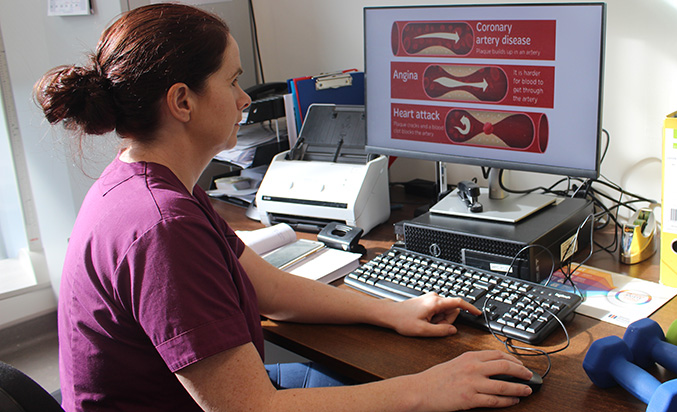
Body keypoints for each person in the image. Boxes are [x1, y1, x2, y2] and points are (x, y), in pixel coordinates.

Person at [34, 3, 534, 411]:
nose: (244, 100)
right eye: (232, 82)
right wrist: (426, 390)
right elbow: (249, 410)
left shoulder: (147, 183)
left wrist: (390, 312)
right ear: (182, 102)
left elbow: (266, 288)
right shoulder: (163, 227)